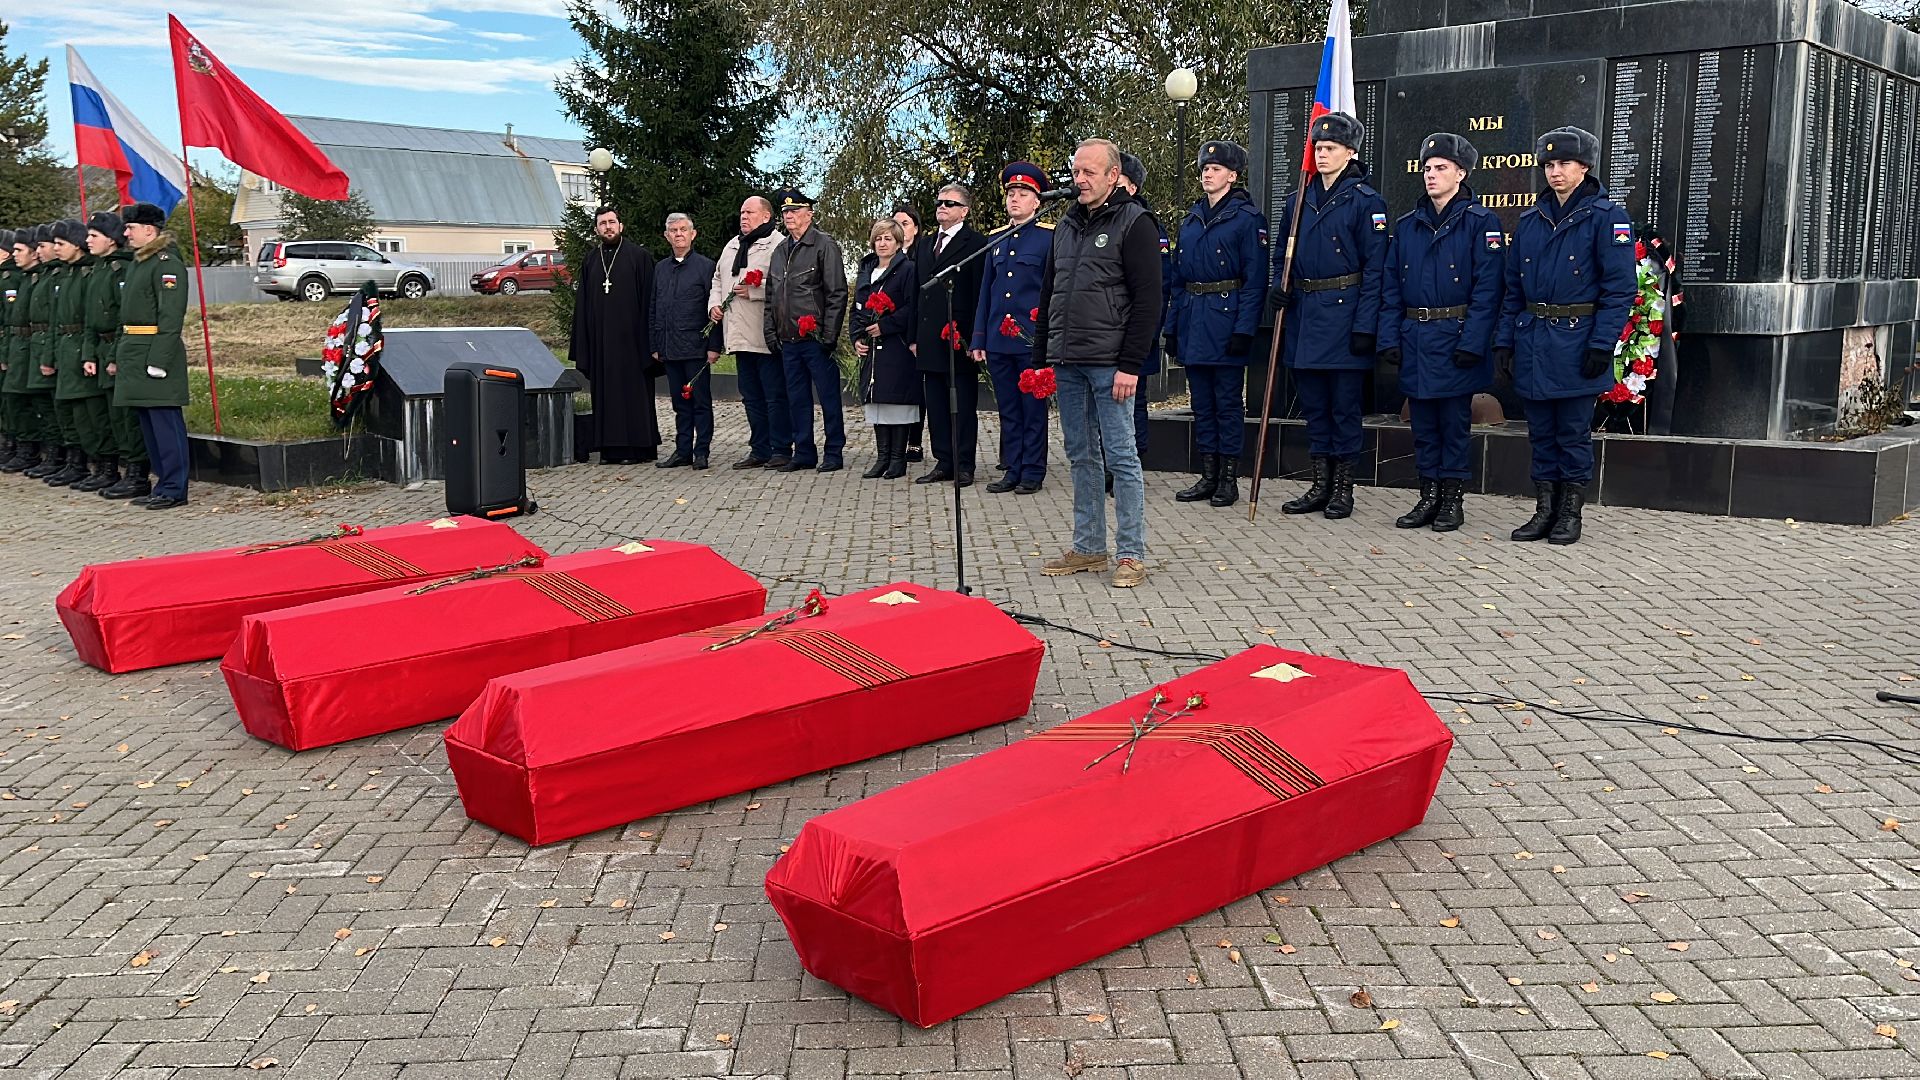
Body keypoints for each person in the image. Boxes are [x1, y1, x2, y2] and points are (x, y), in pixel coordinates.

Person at [1031, 137, 1162, 589]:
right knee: (1080, 454)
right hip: (1067, 359)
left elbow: (1148, 301)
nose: (1079, 179)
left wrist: (1131, 364)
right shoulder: (1065, 226)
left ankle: (1130, 553)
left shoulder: (1135, 222)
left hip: (1111, 363)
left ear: (1113, 176)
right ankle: (1088, 547)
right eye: (1075, 171)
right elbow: (1050, 294)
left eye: (1089, 172)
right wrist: (1041, 357)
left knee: (1121, 456)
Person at [1495, 125, 1635, 545]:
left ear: (1584, 167)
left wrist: (1600, 343)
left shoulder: (1606, 218)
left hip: (1578, 341)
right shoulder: (1531, 220)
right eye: (1549, 165)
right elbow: (1513, 289)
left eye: (1564, 164)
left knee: (1572, 433)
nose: (1555, 172)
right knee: (1540, 433)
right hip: (1535, 339)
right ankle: (1544, 510)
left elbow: (1619, 289)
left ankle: (1569, 514)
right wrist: (1504, 341)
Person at [1378, 133, 1503, 532]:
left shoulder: (1482, 223)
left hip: (1456, 337)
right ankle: (1427, 496)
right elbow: (1391, 287)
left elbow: (1489, 289)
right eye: (1427, 168)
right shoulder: (1408, 226)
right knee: (1424, 425)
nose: (1431, 175)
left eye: (1441, 168)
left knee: (1452, 425)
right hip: (1417, 335)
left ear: (1461, 174)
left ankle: (1452, 499)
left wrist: (1473, 341)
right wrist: (1389, 337)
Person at [1273, 111, 1387, 520]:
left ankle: (1343, 488)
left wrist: (1364, 326)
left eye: (1330, 148)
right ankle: (1319, 484)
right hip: (1305, 315)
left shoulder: (1366, 202)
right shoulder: (1298, 199)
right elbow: (1281, 258)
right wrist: (1280, 288)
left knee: (1343, 409)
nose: (1321, 155)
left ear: (1350, 152)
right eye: (1317, 148)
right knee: (1315, 407)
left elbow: (1376, 270)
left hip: (1344, 314)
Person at [1164, 140, 1269, 509]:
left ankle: (1228, 478)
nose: (1208, 173)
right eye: (1205, 168)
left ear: (1232, 175)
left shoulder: (1247, 219)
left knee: (1227, 403)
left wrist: (1245, 329)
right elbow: (1178, 280)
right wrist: (1172, 327)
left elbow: (1255, 281)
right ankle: (1208, 474)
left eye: (1216, 168)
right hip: (1194, 317)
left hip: (1226, 319)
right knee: (1202, 403)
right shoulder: (1191, 219)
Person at [969, 163, 1052, 495]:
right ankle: (1013, 468)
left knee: (1032, 408)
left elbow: (1051, 290)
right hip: (999, 338)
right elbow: (986, 292)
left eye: (1023, 194)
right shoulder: (995, 239)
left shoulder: (1049, 236)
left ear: (1037, 201)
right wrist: (979, 336)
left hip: (1030, 338)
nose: (1015, 199)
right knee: (1008, 409)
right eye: (1012, 194)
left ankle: (1033, 470)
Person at [112, 203, 190, 510]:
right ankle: (162, 484)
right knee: (149, 424)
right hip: (134, 349)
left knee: (165, 423)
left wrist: (158, 359)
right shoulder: (140, 262)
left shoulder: (165, 263)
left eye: (131, 228)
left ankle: (175, 488)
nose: (126, 233)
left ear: (149, 230)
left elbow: (171, 317)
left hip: (154, 351)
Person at [569, 205, 660, 465]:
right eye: (602, 224)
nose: (607, 227)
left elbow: (650, 302)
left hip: (633, 343)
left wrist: (650, 341)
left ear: (621, 225)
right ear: (597, 229)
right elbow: (583, 305)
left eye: (611, 222)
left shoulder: (639, 257)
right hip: (602, 345)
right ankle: (609, 449)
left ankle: (639, 449)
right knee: (606, 394)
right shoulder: (590, 260)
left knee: (634, 395)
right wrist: (584, 343)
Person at [765, 189, 848, 471]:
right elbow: (771, 295)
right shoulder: (780, 251)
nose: (789, 216)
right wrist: (770, 332)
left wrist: (829, 334)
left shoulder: (824, 245)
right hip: (787, 339)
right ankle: (803, 452)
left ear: (809, 214)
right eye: (785, 212)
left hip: (815, 339)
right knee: (796, 399)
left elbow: (836, 293)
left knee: (828, 397)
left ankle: (834, 452)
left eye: (795, 211)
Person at [912, 183, 986, 486]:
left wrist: (975, 338)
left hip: (958, 338)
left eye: (950, 203)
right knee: (937, 405)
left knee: (963, 405)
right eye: (939, 202)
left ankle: (964, 464)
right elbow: (916, 293)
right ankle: (944, 461)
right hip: (929, 337)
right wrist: (913, 336)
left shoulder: (975, 243)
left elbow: (979, 293)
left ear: (964, 211)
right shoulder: (926, 244)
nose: (942, 207)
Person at [709, 195, 789, 469]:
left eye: (749, 212)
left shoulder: (778, 244)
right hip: (739, 334)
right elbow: (718, 278)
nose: (743, 216)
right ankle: (759, 449)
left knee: (774, 395)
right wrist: (715, 305)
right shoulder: (733, 244)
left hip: (764, 334)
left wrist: (755, 290)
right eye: (742, 212)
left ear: (766, 217)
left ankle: (781, 448)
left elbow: (783, 283)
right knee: (751, 396)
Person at [851, 218, 919, 479]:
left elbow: (911, 307)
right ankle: (882, 457)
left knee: (895, 401)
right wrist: (857, 337)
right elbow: (856, 307)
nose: (882, 243)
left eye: (888, 238)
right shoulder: (867, 270)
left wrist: (886, 325)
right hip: (872, 347)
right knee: (877, 401)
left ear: (899, 243)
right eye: (878, 238)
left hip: (896, 345)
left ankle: (897, 459)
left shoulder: (907, 270)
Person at [651, 213, 720, 470]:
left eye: (683, 229)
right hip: (669, 348)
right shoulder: (660, 269)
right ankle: (682, 451)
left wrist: (714, 345)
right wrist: (655, 344)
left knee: (700, 402)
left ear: (693, 234)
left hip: (696, 349)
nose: (678, 234)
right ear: (667, 236)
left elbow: (713, 309)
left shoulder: (705, 267)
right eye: (673, 230)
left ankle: (701, 451)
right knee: (680, 403)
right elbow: (653, 308)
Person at [87, 212, 146, 499]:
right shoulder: (98, 270)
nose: (87, 240)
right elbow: (90, 318)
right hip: (100, 348)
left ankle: (136, 473)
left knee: (125, 415)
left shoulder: (120, 271)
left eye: (94, 236)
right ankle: (114, 469)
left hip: (119, 346)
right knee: (110, 415)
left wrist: (114, 355)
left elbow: (125, 317)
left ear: (111, 240)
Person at [49, 219, 108, 489]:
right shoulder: (67, 274)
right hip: (66, 348)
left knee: (92, 414)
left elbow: (91, 318)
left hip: (83, 349)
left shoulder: (88, 274)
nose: (55, 248)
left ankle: (104, 467)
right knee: (72, 413)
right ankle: (81, 463)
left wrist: (88, 353)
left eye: (61, 244)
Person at [1116, 153, 1166, 461]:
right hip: (1104, 331)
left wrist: (1149, 334)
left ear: (1132, 188)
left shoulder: (1146, 226)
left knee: (1133, 401)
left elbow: (1159, 286)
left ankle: (1133, 458)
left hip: (1136, 330)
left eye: (1118, 183)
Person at [22, 225, 65, 481]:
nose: (39, 252)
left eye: (43, 246)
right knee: (42, 404)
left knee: (55, 406)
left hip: (53, 343)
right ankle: (53, 455)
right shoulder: (43, 276)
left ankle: (63, 457)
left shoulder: (56, 276)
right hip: (36, 343)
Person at [0, 229, 42, 474]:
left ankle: (25, 447)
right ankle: (12, 442)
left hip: (18, 342)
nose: (16, 255)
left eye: (18, 250)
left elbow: (12, 319)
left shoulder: (13, 279)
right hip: (12, 343)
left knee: (17, 398)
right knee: (9, 400)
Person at [891, 202, 926, 463]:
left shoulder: (921, 256)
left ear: (915, 228)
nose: (900, 229)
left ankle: (914, 440)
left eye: (905, 223)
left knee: (916, 387)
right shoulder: (886, 256)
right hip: (891, 332)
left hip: (913, 327)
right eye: (896, 223)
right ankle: (893, 442)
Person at [0, 230, 18, 467]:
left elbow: (9, 315)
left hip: (9, 338)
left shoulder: (10, 279)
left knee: (12, 400)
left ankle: (15, 444)